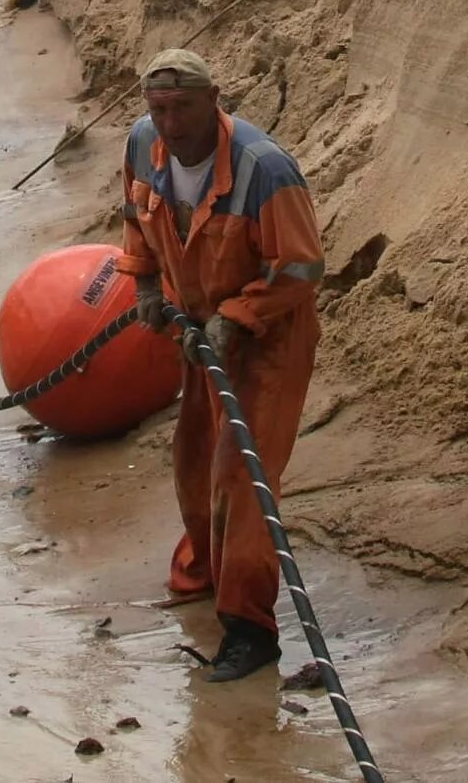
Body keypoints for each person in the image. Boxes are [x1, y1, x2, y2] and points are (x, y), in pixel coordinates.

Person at [115, 48, 325, 683]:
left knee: (242, 480)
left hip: (267, 341)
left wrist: (236, 318)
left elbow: (301, 266)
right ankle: (204, 573)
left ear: (215, 102)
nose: (171, 125)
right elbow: (135, 218)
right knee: (193, 459)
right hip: (199, 334)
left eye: (183, 108)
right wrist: (147, 288)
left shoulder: (265, 169)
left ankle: (249, 629)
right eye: (159, 109)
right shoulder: (142, 144)